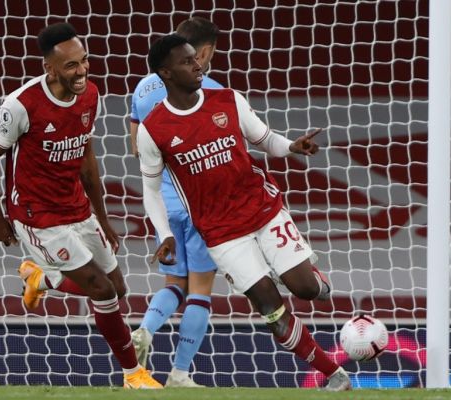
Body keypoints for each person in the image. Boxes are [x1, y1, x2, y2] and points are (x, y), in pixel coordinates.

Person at [137, 34, 352, 391]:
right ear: (166, 73)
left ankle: (306, 276)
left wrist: (291, 146)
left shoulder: (228, 100)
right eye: (187, 62)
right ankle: (334, 375)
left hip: (263, 210)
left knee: (306, 290)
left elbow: (265, 139)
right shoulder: (153, 130)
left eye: (196, 59)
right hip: (221, 233)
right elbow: (151, 190)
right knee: (272, 311)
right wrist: (166, 234)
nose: (197, 66)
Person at [0, 22, 162, 389]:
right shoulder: (21, 104)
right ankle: (133, 375)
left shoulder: (90, 94)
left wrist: (103, 218)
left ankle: (40, 276)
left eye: (84, 61)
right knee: (102, 291)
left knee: (118, 288)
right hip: (37, 216)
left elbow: (86, 157)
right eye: (71, 66)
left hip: (77, 209)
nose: (81, 71)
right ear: (50, 68)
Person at [128, 17, 221, 388]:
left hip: (163, 199)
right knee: (199, 289)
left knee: (173, 282)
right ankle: (180, 373)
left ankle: (145, 330)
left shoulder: (142, 87)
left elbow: (135, 145)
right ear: (202, 51)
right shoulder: (210, 89)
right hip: (201, 201)